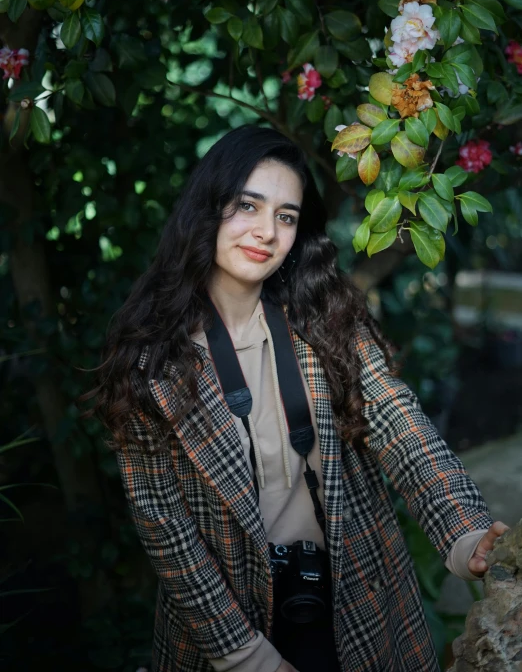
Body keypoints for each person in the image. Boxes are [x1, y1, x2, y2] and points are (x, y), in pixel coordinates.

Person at [91, 125, 507, 672]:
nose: (266, 231)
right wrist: (244, 656)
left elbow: (402, 430)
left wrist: (466, 532)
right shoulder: (150, 362)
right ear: (207, 208)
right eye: (247, 205)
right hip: (224, 630)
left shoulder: (326, 317)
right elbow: (167, 531)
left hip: (361, 603)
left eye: (285, 216)